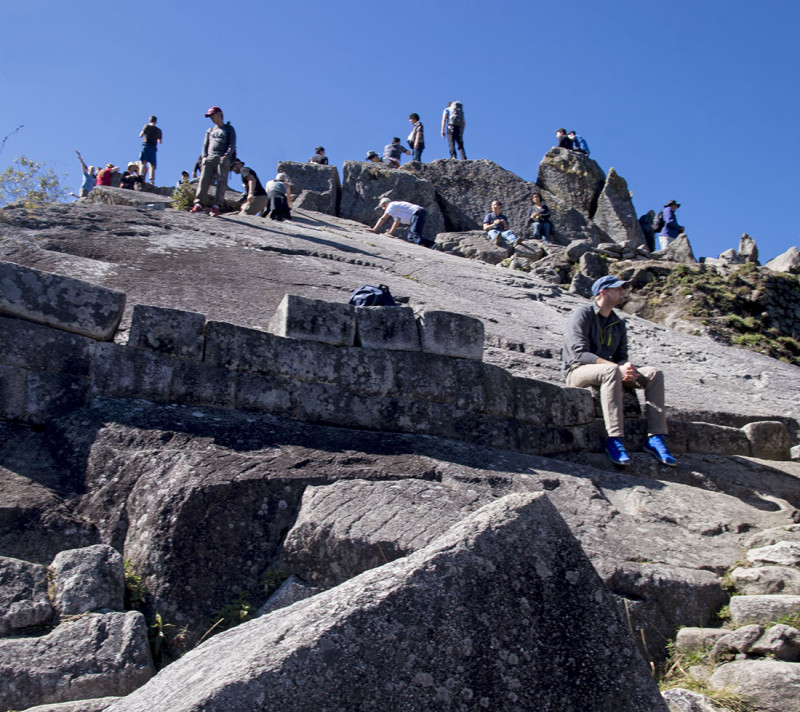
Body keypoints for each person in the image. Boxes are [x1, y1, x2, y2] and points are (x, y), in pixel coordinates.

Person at [562, 275, 677, 467]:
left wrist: (627, 367)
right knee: (610, 371)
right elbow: (579, 353)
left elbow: (621, 355)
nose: (623, 291)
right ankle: (615, 439)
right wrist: (617, 367)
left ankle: (656, 438)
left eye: (623, 288)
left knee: (654, 373)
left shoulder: (618, 323)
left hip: (610, 371)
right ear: (603, 292)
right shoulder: (583, 314)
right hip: (577, 372)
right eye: (618, 288)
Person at [191, 106, 236, 217]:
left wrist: (226, 156)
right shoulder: (210, 130)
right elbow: (205, 145)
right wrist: (204, 157)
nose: (211, 118)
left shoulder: (229, 129)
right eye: (209, 116)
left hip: (222, 158)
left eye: (212, 115)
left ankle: (216, 206)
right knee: (204, 180)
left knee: (222, 181)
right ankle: (199, 204)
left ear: (219, 114)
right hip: (209, 157)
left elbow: (232, 144)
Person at [138, 116, 162, 184]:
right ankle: (152, 180)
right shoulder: (158, 130)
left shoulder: (147, 126)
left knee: (143, 161)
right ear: (156, 122)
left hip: (146, 145)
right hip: (153, 147)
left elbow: (141, 135)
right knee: (152, 164)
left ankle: (141, 174)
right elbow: (160, 141)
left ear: (149, 120)